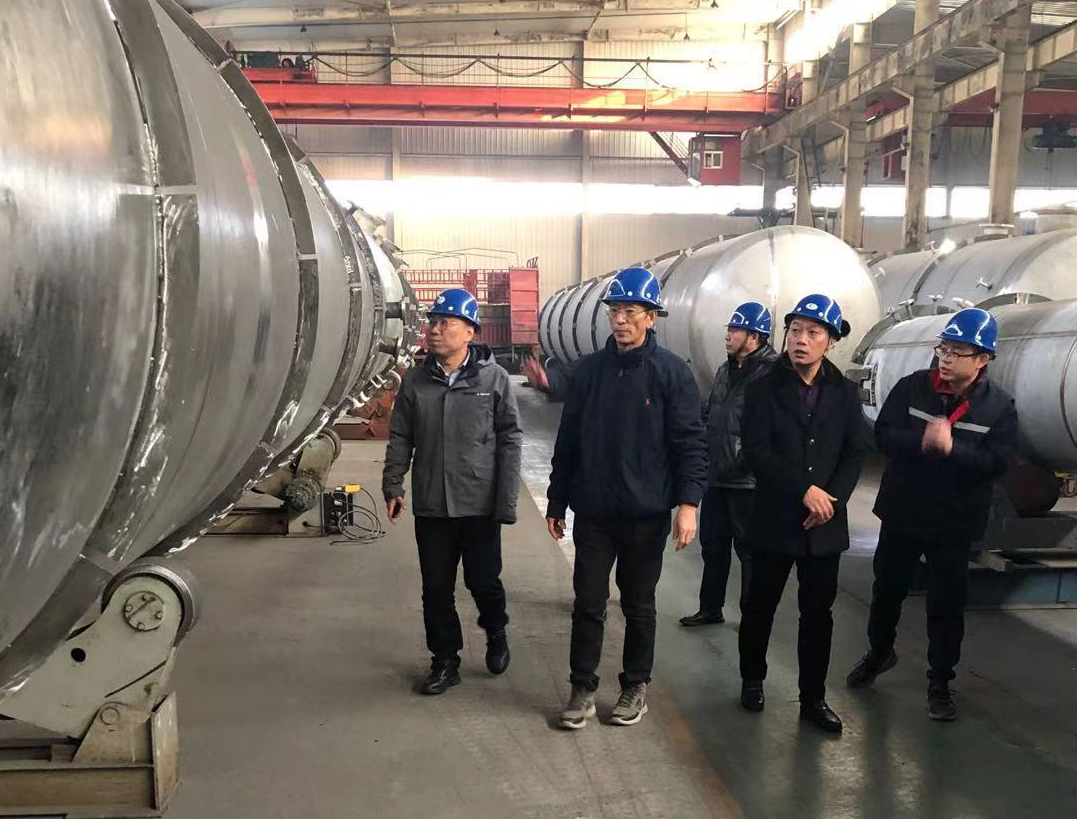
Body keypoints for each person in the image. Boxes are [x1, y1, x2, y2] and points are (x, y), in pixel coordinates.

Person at [546, 267, 707, 730]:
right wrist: (557, 501)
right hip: (594, 511)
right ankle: (582, 687)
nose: (620, 320)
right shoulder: (589, 372)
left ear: (651, 317)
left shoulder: (671, 374)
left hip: (645, 514)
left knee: (639, 605)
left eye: (630, 312)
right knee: (588, 603)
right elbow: (568, 440)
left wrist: (689, 504)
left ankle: (635, 685)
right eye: (614, 311)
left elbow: (690, 443)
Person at [846, 307, 1017, 721]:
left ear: (982, 359)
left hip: (953, 522)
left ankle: (940, 681)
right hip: (903, 512)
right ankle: (879, 652)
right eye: (944, 348)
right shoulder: (912, 388)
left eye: (958, 351)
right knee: (887, 590)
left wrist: (952, 449)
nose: (946, 357)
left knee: (946, 605)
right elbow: (883, 435)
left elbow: (998, 462)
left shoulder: (998, 407)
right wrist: (923, 442)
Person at [737, 294, 872, 734]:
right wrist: (804, 491)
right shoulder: (762, 388)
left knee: (818, 615)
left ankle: (813, 697)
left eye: (813, 332)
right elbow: (756, 452)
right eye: (795, 330)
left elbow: (856, 452)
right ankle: (752, 679)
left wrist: (831, 500)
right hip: (775, 518)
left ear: (830, 341)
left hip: (824, 526)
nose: (801, 339)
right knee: (760, 606)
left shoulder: (845, 393)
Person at [382, 288, 523, 695]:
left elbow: (510, 439)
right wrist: (393, 483)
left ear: (469, 332)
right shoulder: (416, 381)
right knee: (436, 589)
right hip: (433, 503)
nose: (434, 329)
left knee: (484, 582)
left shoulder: (492, 379)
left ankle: (496, 629)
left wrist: (505, 501)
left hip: (478, 504)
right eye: (433, 321)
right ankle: (445, 661)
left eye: (445, 322)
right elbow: (401, 435)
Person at [681, 303, 779, 628]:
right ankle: (710, 608)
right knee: (713, 546)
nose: (728, 335)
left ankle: (751, 616)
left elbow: (774, 431)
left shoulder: (773, 374)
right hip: (717, 476)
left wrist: (746, 462)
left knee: (749, 551)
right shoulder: (725, 369)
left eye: (735, 330)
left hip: (748, 482)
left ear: (754, 336)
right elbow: (714, 413)